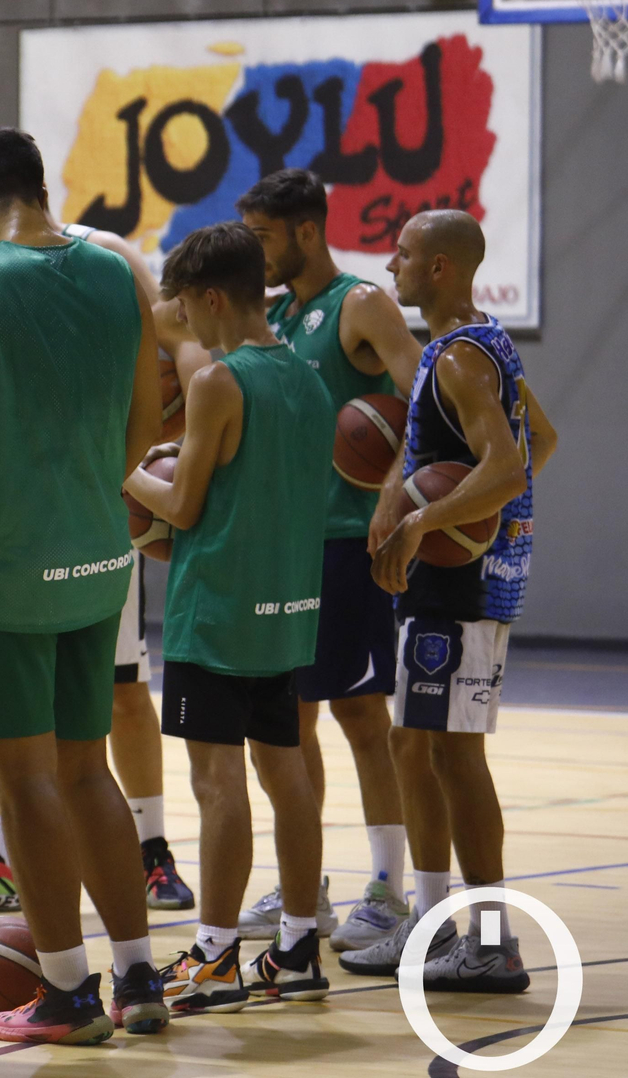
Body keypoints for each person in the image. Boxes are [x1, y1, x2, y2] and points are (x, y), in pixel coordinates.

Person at [0, 128, 165, 1046]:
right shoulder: (116, 274)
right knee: (85, 766)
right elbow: (145, 422)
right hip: (101, 554)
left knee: (23, 778)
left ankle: (67, 991)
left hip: (3, 562)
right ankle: (140, 977)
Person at [0, 221, 205, 918]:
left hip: (87, 516)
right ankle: (0, 858)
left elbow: (185, 348)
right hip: (38, 527)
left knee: (122, 694)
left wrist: (140, 462)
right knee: (16, 729)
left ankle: (151, 848)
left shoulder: (107, 257)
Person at [342, 209, 556, 992]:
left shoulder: (461, 358)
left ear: (439, 267)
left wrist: (433, 518)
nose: (388, 264)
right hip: (453, 575)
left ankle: (492, 942)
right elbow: (544, 441)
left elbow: (505, 465)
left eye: (402, 254)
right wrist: (398, 488)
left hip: (460, 582)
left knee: (458, 758)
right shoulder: (472, 342)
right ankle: (433, 925)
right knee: (416, 746)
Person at [125, 222, 336, 1014]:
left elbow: (180, 506)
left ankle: (214, 955)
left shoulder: (221, 380)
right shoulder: (309, 379)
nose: (185, 322)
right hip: (286, 609)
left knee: (218, 786)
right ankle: (298, 946)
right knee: (287, 778)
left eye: (185, 307)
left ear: (213, 297)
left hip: (217, 612)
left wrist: (126, 470)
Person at [236, 169, 424, 950]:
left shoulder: (361, 304)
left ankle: (388, 885)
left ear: (306, 230)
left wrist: (393, 489)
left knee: (359, 714)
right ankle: (303, 878)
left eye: (264, 238)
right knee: (289, 718)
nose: (256, 253)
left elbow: (426, 399)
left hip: (349, 543)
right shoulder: (276, 315)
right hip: (285, 544)